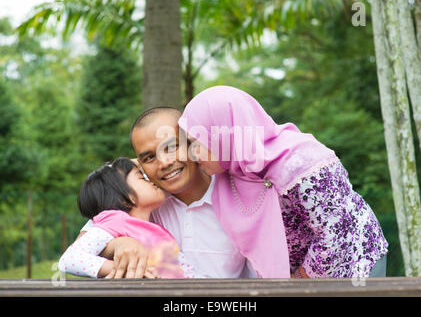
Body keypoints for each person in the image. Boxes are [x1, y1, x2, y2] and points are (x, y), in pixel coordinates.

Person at [178, 85, 389, 278]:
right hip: (296, 282)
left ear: (225, 134)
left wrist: (298, 280)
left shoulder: (303, 161)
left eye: (197, 142)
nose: (192, 153)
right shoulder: (231, 175)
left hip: (355, 262)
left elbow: (335, 230)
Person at [69, 108, 257, 279]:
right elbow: (82, 244)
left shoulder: (237, 192)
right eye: (150, 157)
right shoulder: (145, 201)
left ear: (192, 144)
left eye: (172, 147)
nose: (164, 162)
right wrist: (118, 244)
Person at [58, 157, 200, 278]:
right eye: (141, 177)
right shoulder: (116, 220)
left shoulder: (150, 225)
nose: (150, 180)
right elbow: (69, 259)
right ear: (126, 198)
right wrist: (120, 269)